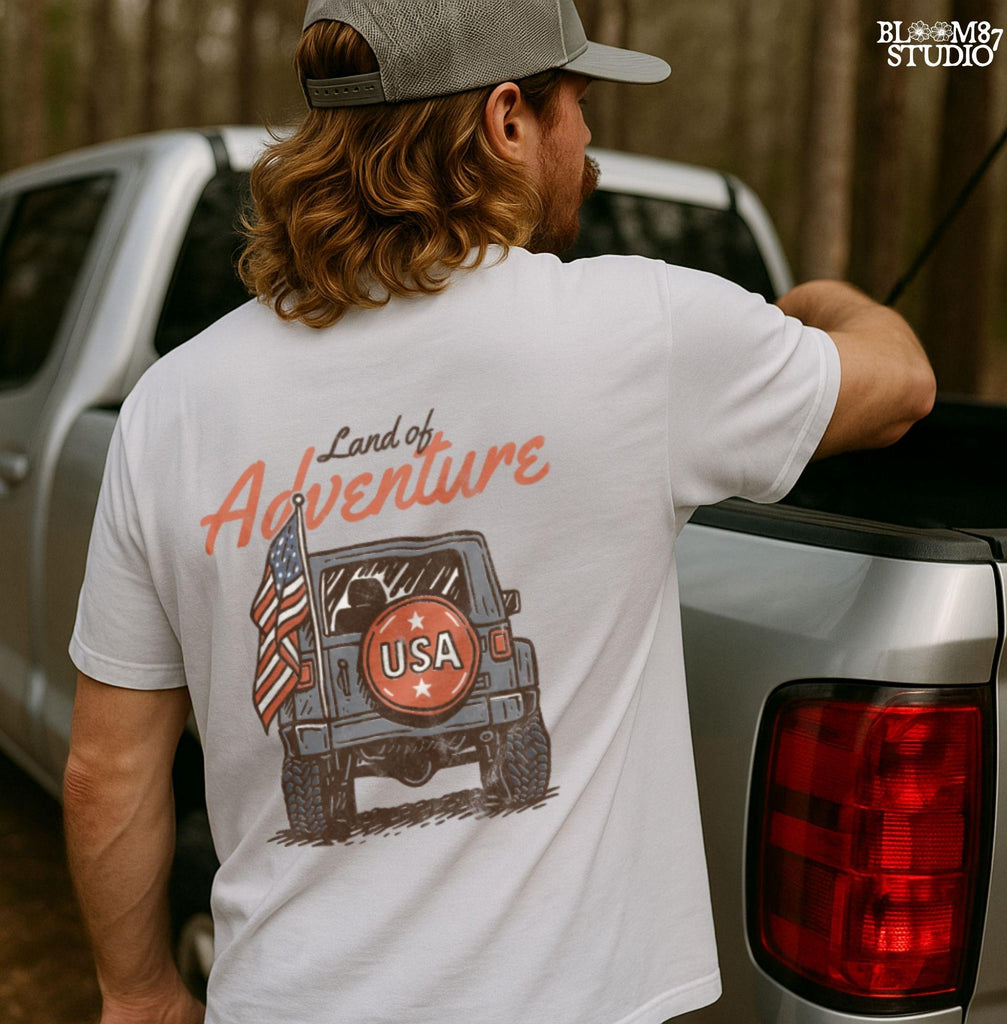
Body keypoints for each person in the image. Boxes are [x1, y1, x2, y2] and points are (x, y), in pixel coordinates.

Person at [63, 1, 936, 1023]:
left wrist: (138, 993)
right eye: (580, 103)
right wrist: (824, 303)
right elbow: (901, 386)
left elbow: (109, 765)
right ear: (508, 118)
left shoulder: (173, 404)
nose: (590, 139)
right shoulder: (642, 333)